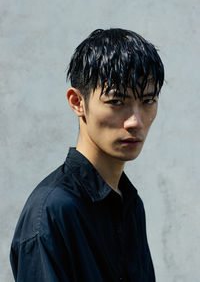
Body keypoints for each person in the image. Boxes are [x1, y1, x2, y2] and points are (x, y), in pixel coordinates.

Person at [10, 28, 164, 281]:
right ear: (77, 102)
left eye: (148, 101)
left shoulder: (131, 204)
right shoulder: (51, 212)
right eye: (117, 101)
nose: (135, 121)